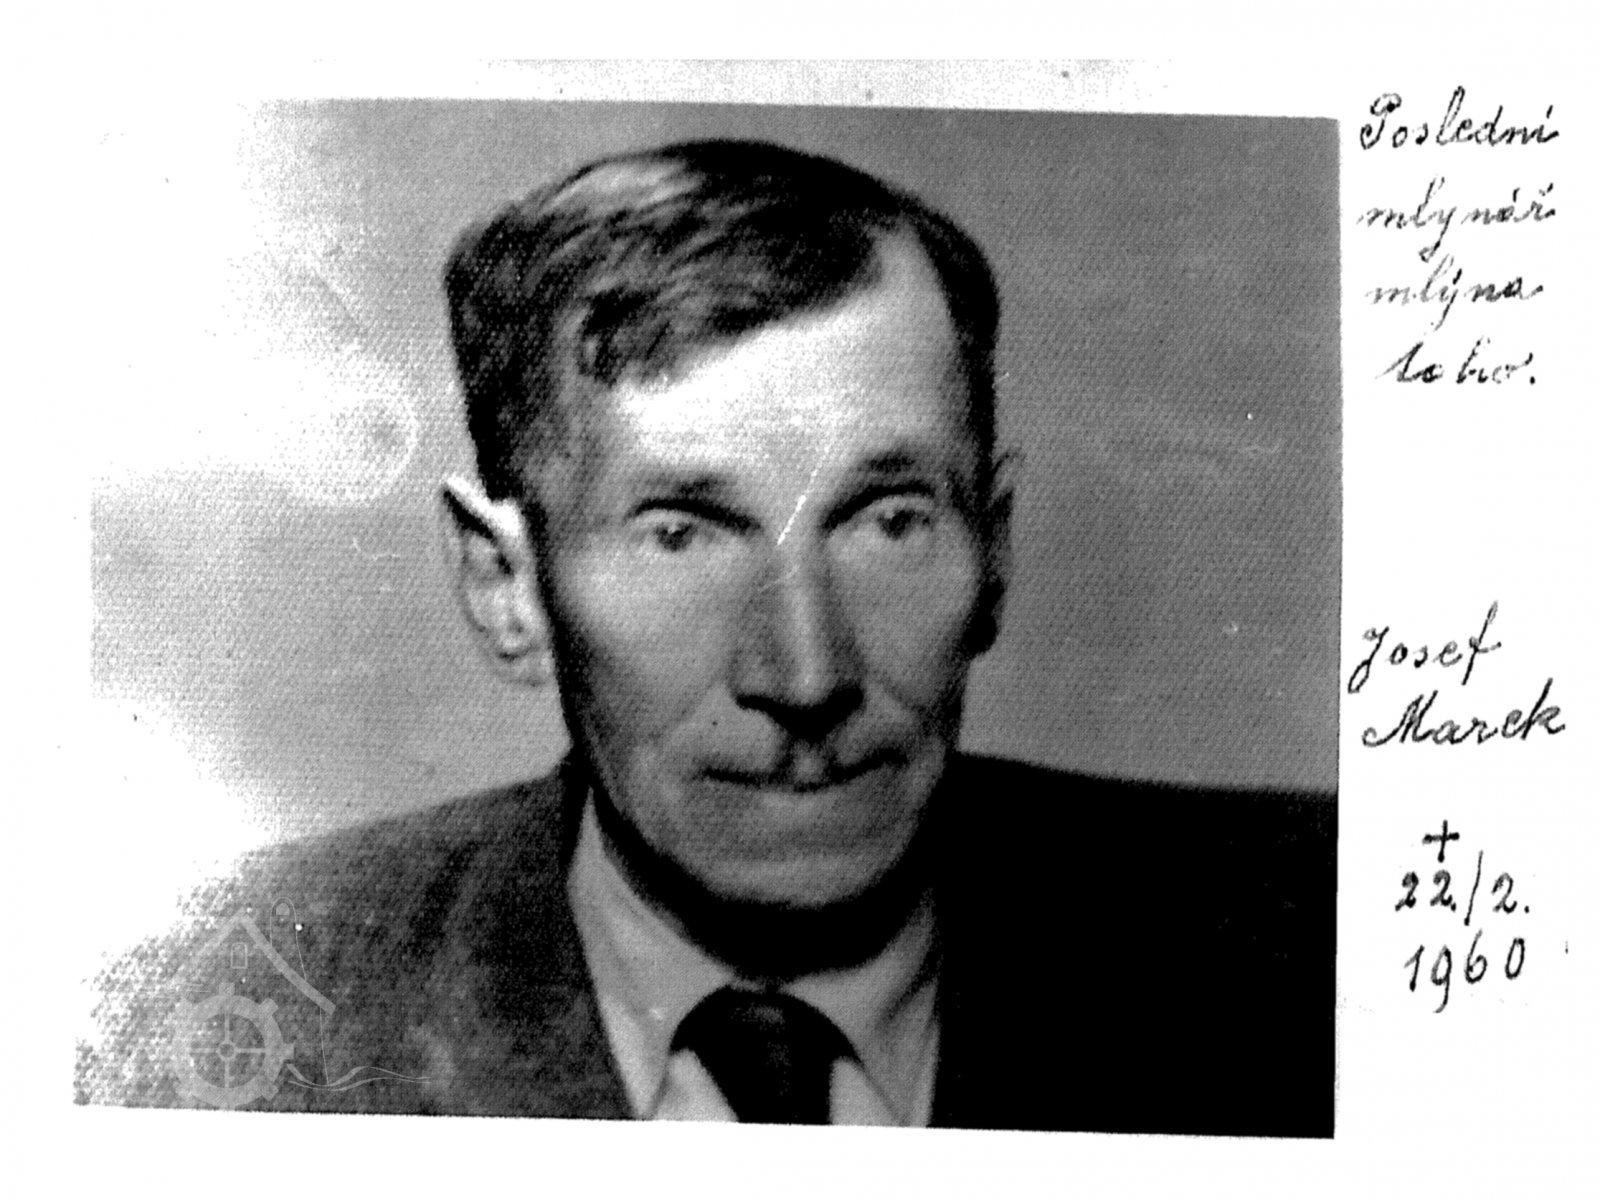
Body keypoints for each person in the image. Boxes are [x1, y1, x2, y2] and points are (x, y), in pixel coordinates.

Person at [77, 139, 1334, 1134]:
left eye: (889, 521)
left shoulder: (1316, 952)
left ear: (991, 548)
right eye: (681, 534)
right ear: (508, 585)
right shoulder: (206, 1011)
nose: (806, 673)